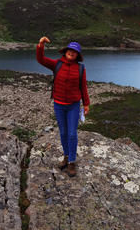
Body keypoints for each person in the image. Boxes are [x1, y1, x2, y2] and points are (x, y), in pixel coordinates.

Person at [36, 36, 90, 177]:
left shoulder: (80, 68)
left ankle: (72, 162)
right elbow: (41, 60)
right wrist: (41, 45)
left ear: (77, 54)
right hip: (59, 105)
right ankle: (66, 157)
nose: (72, 52)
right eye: (70, 50)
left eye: (75, 51)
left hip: (73, 106)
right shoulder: (57, 64)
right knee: (63, 133)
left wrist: (86, 104)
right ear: (66, 51)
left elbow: (83, 87)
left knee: (72, 134)